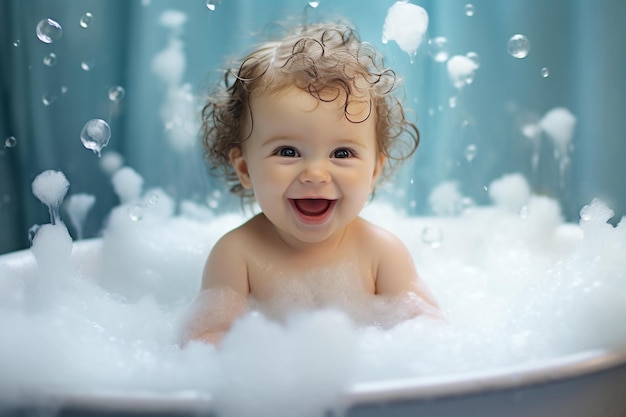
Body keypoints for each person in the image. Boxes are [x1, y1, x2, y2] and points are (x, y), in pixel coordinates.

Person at [183, 21, 440, 346]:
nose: (315, 173)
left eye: (342, 152)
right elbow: (205, 337)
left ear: (375, 170)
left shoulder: (381, 253)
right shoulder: (237, 254)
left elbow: (428, 328)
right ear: (245, 168)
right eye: (288, 151)